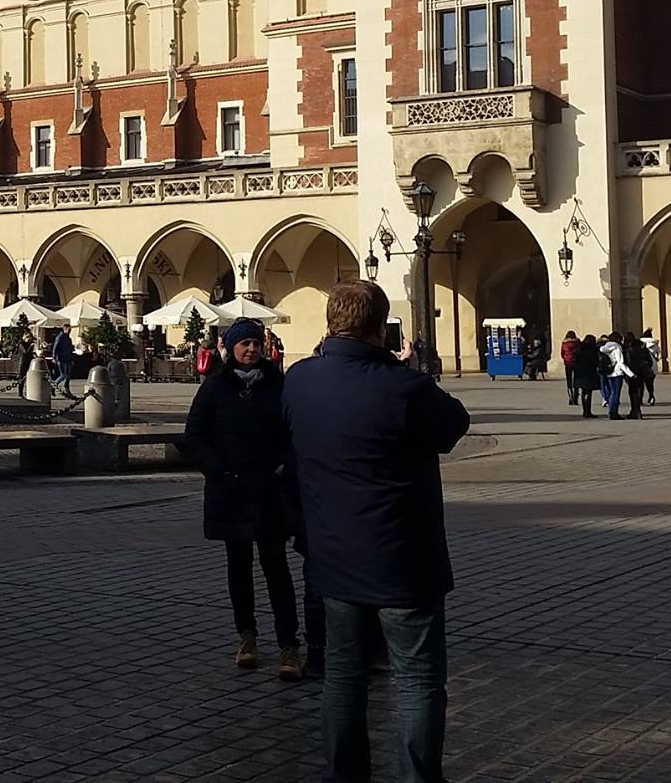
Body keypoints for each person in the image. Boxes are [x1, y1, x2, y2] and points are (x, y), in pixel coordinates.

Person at [285, 279, 469, 783]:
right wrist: (405, 370)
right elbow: (455, 424)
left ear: (330, 323)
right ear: (380, 329)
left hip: (332, 558)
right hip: (403, 561)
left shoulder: (300, 380)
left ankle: (345, 776)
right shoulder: (403, 387)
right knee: (417, 679)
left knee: (343, 677)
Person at [180, 318, 300, 681]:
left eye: (255, 344)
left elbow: (294, 431)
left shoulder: (278, 385)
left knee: (276, 567)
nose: (251, 350)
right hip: (230, 490)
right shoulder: (215, 387)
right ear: (229, 348)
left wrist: (282, 468)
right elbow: (195, 435)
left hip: (268, 490)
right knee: (239, 568)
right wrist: (218, 471)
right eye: (244, 344)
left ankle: (288, 644)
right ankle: (246, 636)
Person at [621, 332, 652, 419]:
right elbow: (649, 360)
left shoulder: (627, 349)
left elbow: (626, 362)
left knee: (633, 392)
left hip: (632, 373)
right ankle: (636, 411)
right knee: (639, 391)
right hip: (642, 373)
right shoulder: (642, 347)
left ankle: (636, 411)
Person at [50, 326, 76, 397]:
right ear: (65, 329)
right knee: (63, 375)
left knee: (68, 376)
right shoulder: (60, 337)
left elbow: (70, 350)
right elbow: (55, 348)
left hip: (68, 359)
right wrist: (54, 357)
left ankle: (67, 389)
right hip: (61, 358)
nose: (70, 331)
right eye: (69, 330)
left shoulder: (68, 338)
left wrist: (72, 359)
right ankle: (53, 385)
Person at [558, 331, 580, 406]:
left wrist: (565, 358)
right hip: (576, 362)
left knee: (569, 380)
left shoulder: (564, 343)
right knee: (576, 380)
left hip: (568, 363)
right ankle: (576, 397)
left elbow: (562, 353)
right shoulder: (577, 343)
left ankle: (570, 398)